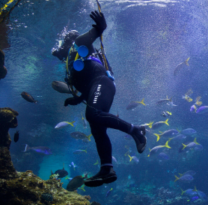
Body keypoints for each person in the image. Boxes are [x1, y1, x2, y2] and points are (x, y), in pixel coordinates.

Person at [55, 10, 147, 187]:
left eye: (63, 46)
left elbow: (88, 37)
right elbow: (87, 84)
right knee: (97, 130)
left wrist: (100, 27)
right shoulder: (74, 62)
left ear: (69, 43)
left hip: (102, 83)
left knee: (93, 114)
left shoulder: (81, 45)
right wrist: (77, 98)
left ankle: (135, 130)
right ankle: (107, 169)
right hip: (98, 86)